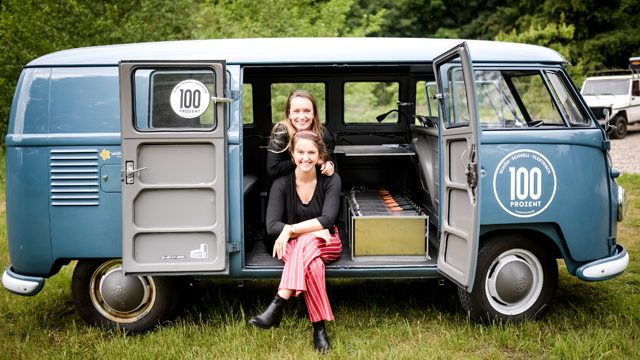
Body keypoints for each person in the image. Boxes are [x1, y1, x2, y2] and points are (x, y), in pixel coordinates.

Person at [250, 131, 342, 354]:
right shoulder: (281, 183)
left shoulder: (332, 180)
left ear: (321, 157)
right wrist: (310, 232)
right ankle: (319, 329)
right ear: (292, 155)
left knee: (308, 243)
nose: (305, 157)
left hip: (327, 241)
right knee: (314, 264)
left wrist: (291, 229)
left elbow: (327, 221)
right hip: (293, 244)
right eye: (300, 152)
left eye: (311, 152)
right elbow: (272, 226)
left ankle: (278, 303)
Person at [267, 90, 335, 178]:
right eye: (296, 111)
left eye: (307, 111)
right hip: (286, 183)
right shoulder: (282, 132)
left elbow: (329, 158)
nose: (302, 117)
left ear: (313, 113)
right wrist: (303, 160)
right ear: (289, 114)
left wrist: (329, 165)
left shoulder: (322, 134)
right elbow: (273, 168)